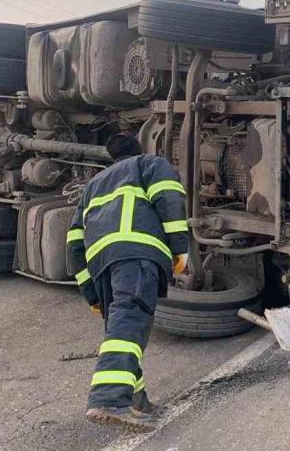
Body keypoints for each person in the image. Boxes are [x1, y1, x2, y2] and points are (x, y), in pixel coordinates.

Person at [67, 133, 189, 432]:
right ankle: (108, 399)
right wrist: (180, 246)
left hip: (102, 264)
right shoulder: (149, 164)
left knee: (121, 330)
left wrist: (91, 293)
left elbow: (73, 240)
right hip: (136, 252)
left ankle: (137, 401)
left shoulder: (93, 186)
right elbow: (168, 196)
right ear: (139, 149)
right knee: (130, 322)